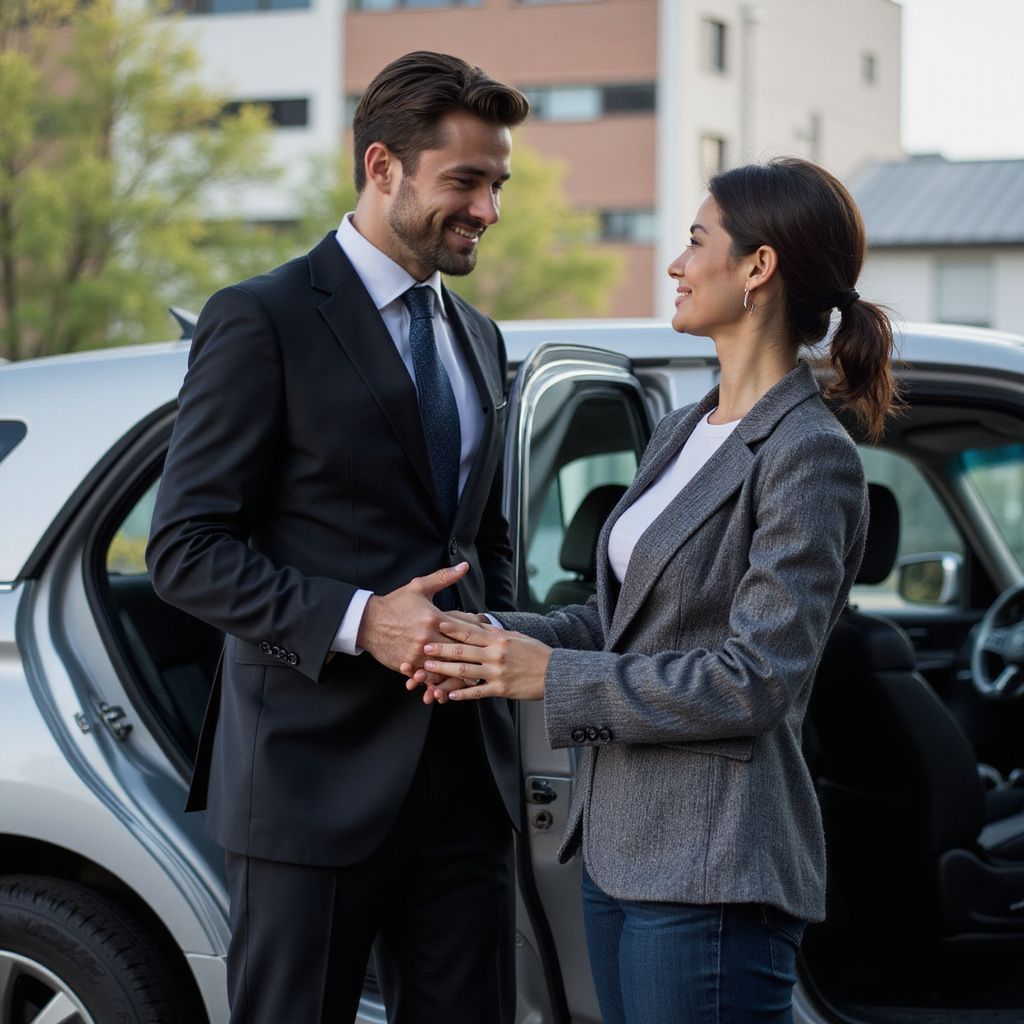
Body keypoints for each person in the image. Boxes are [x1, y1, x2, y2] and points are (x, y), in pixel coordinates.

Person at [407, 158, 897, 1023]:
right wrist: (483, 637)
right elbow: (619, 621)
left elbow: (754, 678)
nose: (674, 264)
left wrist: (545, 677)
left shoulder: (809, 455)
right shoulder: (681, 431)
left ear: (759, 267)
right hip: (621, 847)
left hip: (715, 866)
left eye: (695, 241)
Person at [146, 51, 529, 1024]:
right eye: (466, 181)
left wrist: (490, 645)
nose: (486, 208)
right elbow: (184, 546)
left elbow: (479, 543)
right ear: (382, 166)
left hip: (462, 783)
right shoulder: (261, 317)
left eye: (498, 184)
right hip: (307, 779)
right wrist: (366, 623)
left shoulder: (479, 338)